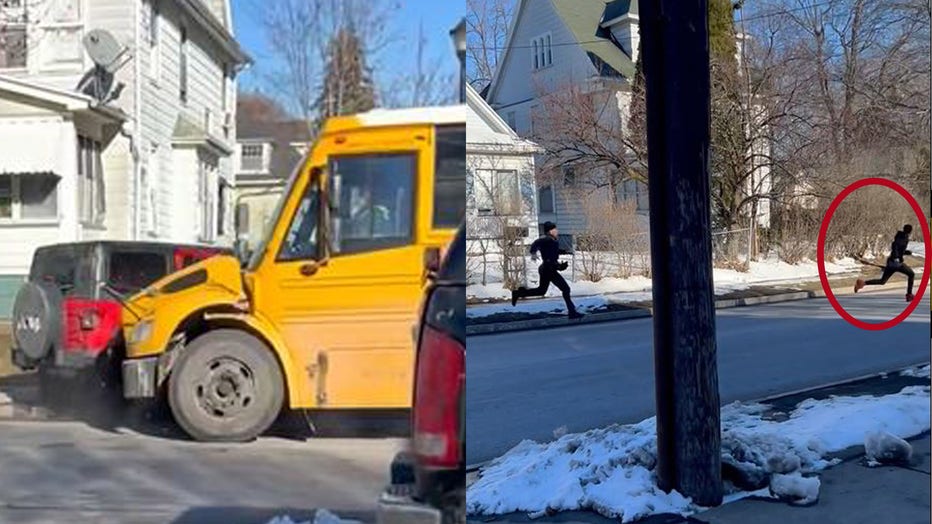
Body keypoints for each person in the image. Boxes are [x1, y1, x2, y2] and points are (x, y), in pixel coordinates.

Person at [511, 221, 583, 319]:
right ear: (550, 231)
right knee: (566, 289)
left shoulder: (553, 241)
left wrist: (563, 256)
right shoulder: (547, 240)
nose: (556, 231)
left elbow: (552, 253)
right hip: (548, 269)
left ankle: (518, 293)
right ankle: (572, 312)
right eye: (554, 229)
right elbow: (536, 243)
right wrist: (533, 253)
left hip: (546, 269)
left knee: (541, 291)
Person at [855, 224, 915, 302]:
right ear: (909, 231)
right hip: (895, 262)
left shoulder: (903, 236)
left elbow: (899, 248)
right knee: (911, 274)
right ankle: (909, 295)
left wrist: (905, 252)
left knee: (882, 281)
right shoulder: (902, 237)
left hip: (892, 262)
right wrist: (896, 257)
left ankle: (862, 283)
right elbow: (895, 246)